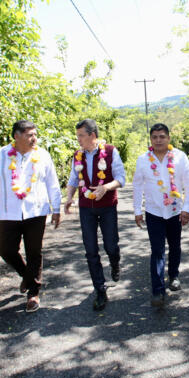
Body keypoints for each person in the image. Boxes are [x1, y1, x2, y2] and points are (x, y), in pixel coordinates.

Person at [0, 120, 61, 313]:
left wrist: (56, 208)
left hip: (36, 211)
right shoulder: (1, 156)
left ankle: (33, 294)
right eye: (30, 135)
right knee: (6, 250)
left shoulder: (42, 156)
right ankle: (27, 277)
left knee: (34, 252)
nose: (34, 139)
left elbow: (52, 183)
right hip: (8, 213)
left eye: (35, 134)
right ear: (16, 136)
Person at [64, 119, 126, 311]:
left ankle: (115, 263)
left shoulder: (110, 151)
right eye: (78, 136)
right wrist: (68, 198)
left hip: (107, 206)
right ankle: (100, 290)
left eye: (81, 135)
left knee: (111, 245)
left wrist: (105, 188)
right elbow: (74, 179)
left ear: (92, 135)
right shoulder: (77, 155)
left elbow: (121, 178)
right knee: (90, 250)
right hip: (85, 208)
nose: (79, 140)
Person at [132, 123, 189, 307]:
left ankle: (174, 275)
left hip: (175, 211)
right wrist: (137, 210)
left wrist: (186, 209)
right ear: (151, 139)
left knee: (175, 246)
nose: (158, 140)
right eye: (155, 137)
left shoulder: (180, 157)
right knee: (157, 251)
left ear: (168, 138)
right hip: (154, 211)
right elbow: (137, 186)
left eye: (162, 136)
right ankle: (157, 291)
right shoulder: (143, 159)